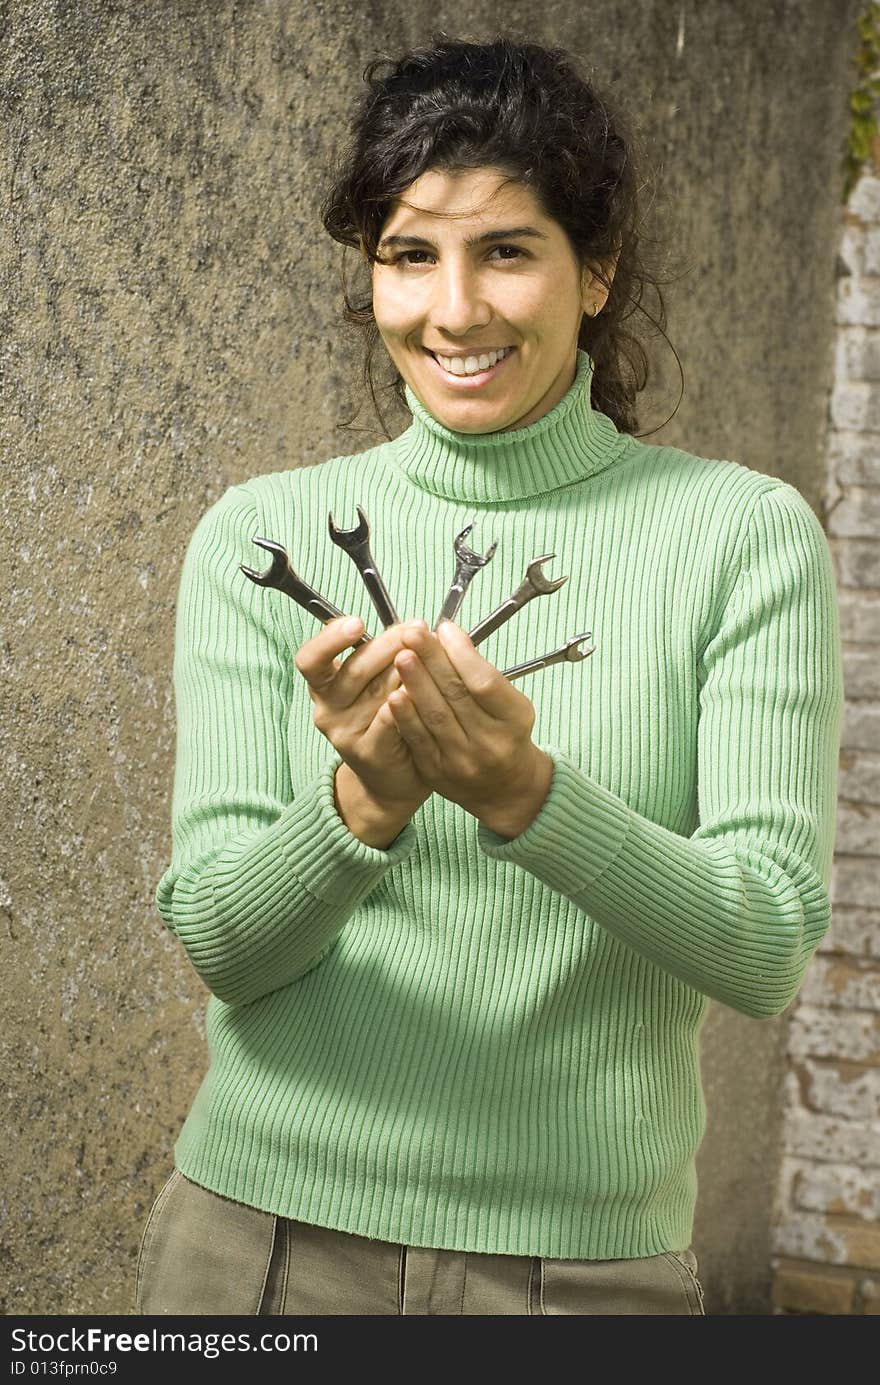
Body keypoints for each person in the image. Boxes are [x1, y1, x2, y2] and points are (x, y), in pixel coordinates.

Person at [135, 34, 843, 1316]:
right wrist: (364, 801)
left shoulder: (741, 535)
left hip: (586, 1271)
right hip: (261, 1249)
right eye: (410, 255)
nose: (452, 310)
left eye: (506, 250)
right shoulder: (261, 537)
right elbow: (223, 943)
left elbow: (763, 942)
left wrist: (524, 790)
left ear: (599, 269)